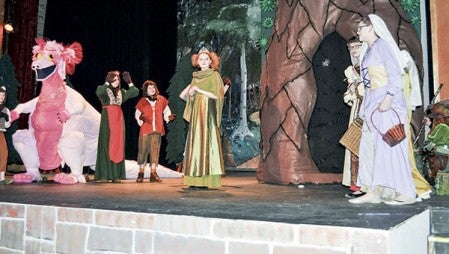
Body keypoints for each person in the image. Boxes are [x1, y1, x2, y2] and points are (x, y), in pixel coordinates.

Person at [349, 14, 416, 205]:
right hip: (373, 105)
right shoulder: (369, 50)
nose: (358, 32)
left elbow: (395, 75)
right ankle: (374, 190)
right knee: (371, 148)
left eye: (361, 28)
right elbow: (369, 83)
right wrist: (365, 107)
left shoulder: (383, 46)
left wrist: (389, 98)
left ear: (371, 28)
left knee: (393, 146)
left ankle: (406, 192)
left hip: (387, 105)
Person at [180, 47, 225, 189]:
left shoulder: (214, 76)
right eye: (201, 59)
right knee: (196, 144)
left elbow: (217, 95)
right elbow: (183, 96)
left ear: (211, 61)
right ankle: (195, 179)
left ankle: (207, 179)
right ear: (197, 62)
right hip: (197, 116)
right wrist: (191, 93)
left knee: (207, 142)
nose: (204, 61)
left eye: (206, 59)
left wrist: (198, 90)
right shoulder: (195, 77)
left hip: (208, 115)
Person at [94, 71, 139, 183]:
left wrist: (129, 82)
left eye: (118, 79)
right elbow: (98, 92)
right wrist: (106, 83)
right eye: (113, 79)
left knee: (118, 144)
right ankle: (105, 174)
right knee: (107, 144)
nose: (116, 81)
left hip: (118, 120)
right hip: (107, 119)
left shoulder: (121, 92)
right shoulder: (105, 90)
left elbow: (135, 92)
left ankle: (116, 174)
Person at [135, 80, 175, 183]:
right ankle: (141, 172)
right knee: (143, 151)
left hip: (157, 130)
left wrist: (168, 117)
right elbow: (137, 114)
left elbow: (166, 111)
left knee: (155, 152)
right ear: (146, 91)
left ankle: (153, 173)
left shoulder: (161, 99)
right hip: (145, 130)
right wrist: (141, 118)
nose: (152, 90)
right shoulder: (142, 101)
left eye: (153, 88)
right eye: (149, 88)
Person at [342, 37, 365, 198]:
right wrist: (351, 94)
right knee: (355, 145)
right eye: (351, 47)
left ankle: (368, 184)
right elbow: (349, 95)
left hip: (370, 109)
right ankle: (357, 184)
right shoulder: (351, 70)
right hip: (358, 109)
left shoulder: (370, 65)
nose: (354, 50)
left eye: (357, 46)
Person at [0, 86, 12, 184]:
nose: (1, 97)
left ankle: (1, 178)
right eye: (0, 95)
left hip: (0, 133)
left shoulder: (5, 110)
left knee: (4, 154)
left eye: (3, 95)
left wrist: (7, 119)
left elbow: (7, 125)